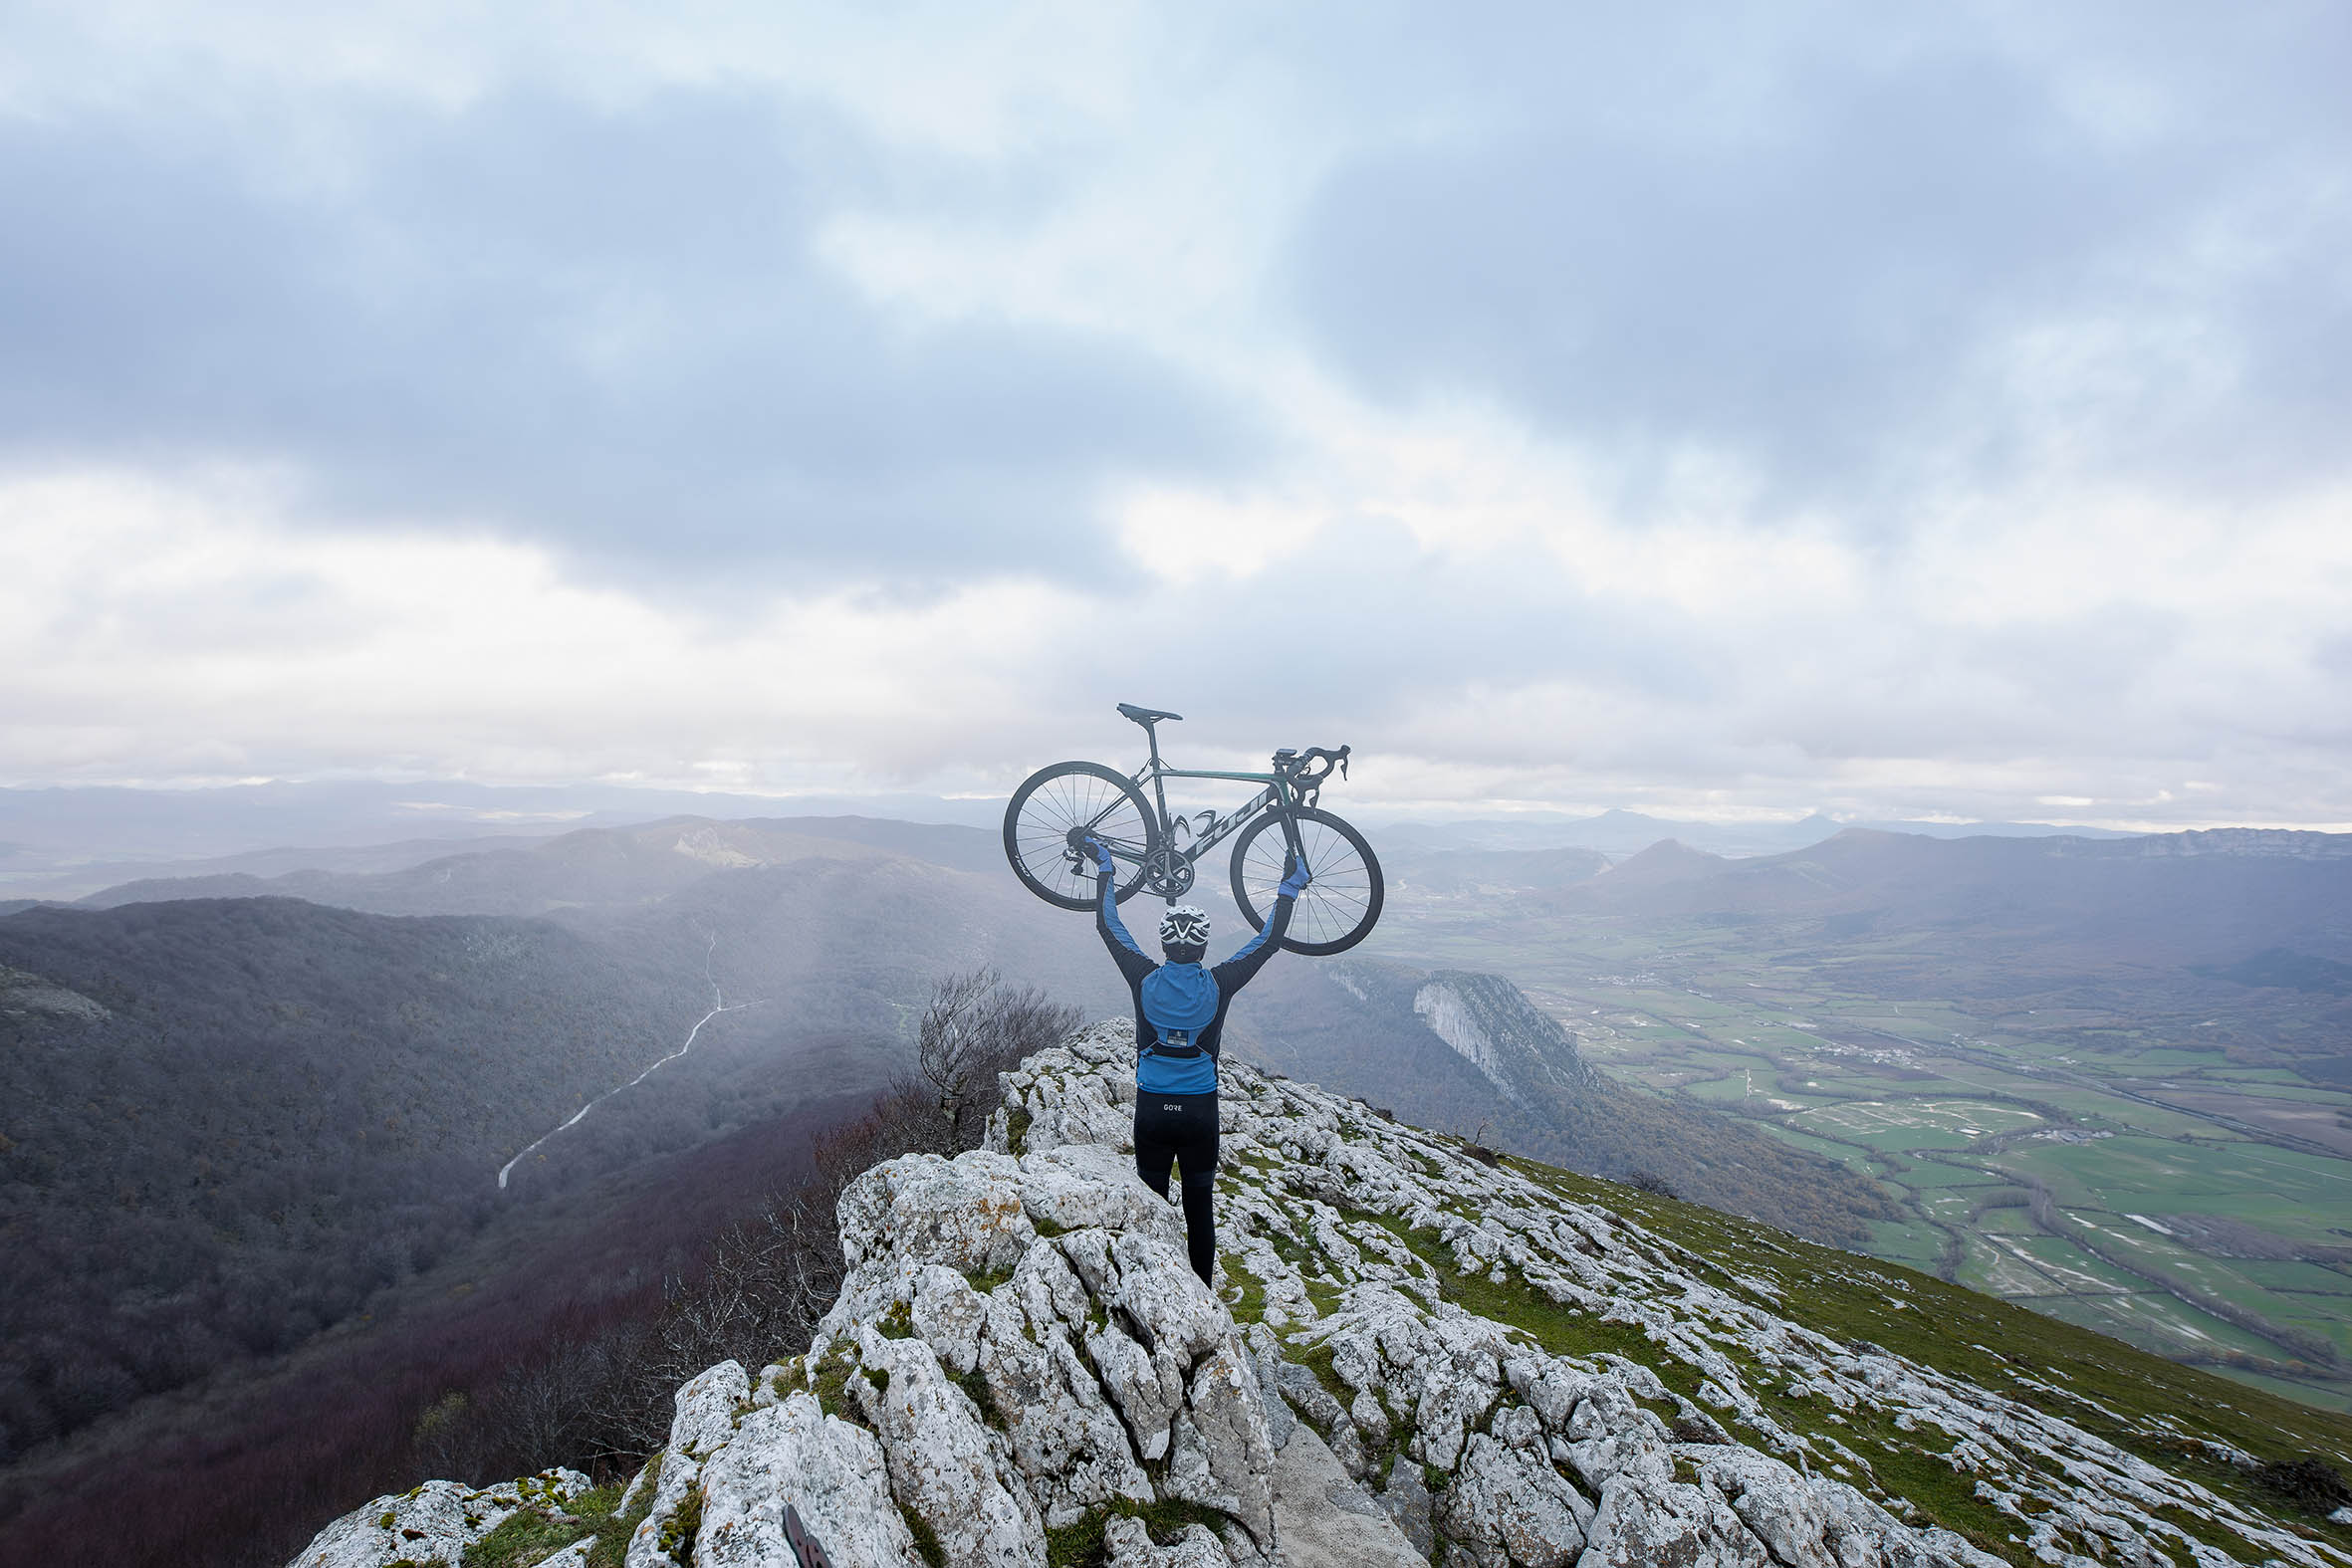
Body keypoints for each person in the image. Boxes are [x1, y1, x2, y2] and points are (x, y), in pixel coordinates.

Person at [1085, 838, 1310, 1285]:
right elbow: (1267, 942)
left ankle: (1149, 1293)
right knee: (1199, 1210)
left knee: (1151, 1207)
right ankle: (1201, 1300)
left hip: (1151, 1109)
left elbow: (1108, 926)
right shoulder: (1220, 984)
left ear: (1165, 946)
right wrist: (1289, 887)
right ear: (1203, 947)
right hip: (1201, 1112)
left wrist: (1106, 866)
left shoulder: (1143, 978)